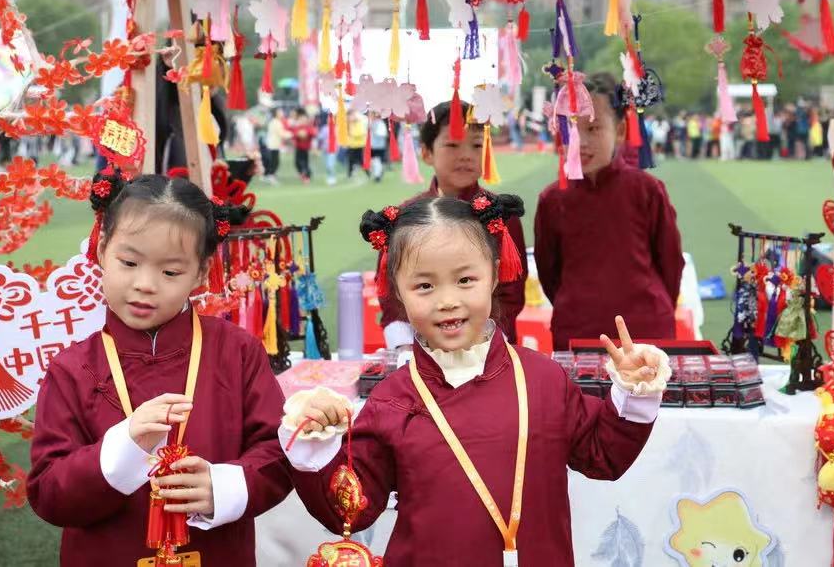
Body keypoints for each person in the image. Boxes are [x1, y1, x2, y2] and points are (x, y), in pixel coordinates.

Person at [279, 193, 670, 565]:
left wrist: (633, 391)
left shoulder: (543, 379)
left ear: (495, 274)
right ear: (396, 288)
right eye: (424, 286)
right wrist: (316, 441)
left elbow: (603, 456)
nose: (447, 300)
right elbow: (352, 508)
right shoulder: (391, 400)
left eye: (465, 280)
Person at [27, 172, 291, 566]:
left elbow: (278, 451)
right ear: (101, 249)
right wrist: (121, 450)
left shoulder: (237, 352)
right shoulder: (73, 368)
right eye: (129, 262)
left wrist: (224, 487)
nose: (146, 284)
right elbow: (48, 492)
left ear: (201, 273)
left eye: (170, 272)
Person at [534, 72, 684, 350]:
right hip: (577, 331)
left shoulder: (647, 190)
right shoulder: (552, 199)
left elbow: (671, 263)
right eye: (572, 129)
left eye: (593, 128)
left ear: (620, 130)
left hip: (646, 331)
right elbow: (549, 272)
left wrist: (655, 307)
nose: (582, 141)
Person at [377, 101, 527, 348]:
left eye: (477, 145)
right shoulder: (405, 216)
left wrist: (478, 344)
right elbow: (391, 294)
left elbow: (512, 296)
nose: (466, 155)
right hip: (420, 350)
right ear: (426, 152)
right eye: (452, 144)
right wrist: (406, 347)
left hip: (487, 349)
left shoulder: (501, 216)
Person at [288, 108, 316, 184]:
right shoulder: (297, 127)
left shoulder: (309, 127)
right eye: (301, 119)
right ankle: (303, 174)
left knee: (304, 163)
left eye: (304, 119)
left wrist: (306, 133)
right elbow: (293, 134)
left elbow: (313, 133)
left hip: (305, 149)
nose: (302, 121)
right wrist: (298, 134)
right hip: (298, 148)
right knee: (297, 163)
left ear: (306, 120)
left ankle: (306, 177)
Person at [264, 108, 289, 185]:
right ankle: (271, 177)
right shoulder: (276, 122)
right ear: (276, 114)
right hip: (273, 145)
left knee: (274, 162)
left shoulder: (274, 122)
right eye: (280, 112)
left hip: (273, 145)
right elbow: (281, 133)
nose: (282, 113)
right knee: (274, 162)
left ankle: (269, 176)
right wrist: (292, 135)